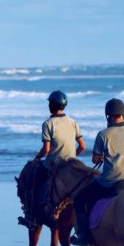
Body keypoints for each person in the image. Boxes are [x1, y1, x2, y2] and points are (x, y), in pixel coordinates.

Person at [71, 98, 124, 246]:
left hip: (109, 183)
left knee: (79, 200)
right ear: (122, 114)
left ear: (107, 115)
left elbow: (95, 159)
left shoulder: (103, 135)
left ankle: (85, 238)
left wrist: (102, 156)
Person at [31, 90, 86, 218]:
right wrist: (72, 156)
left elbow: (46, 149)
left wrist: (36, 159)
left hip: (53, 165)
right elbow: (82, 146)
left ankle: (32, 214)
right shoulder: (73, 122)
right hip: (71, 166)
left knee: (34, 176)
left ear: (51, 105)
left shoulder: (48, 124)